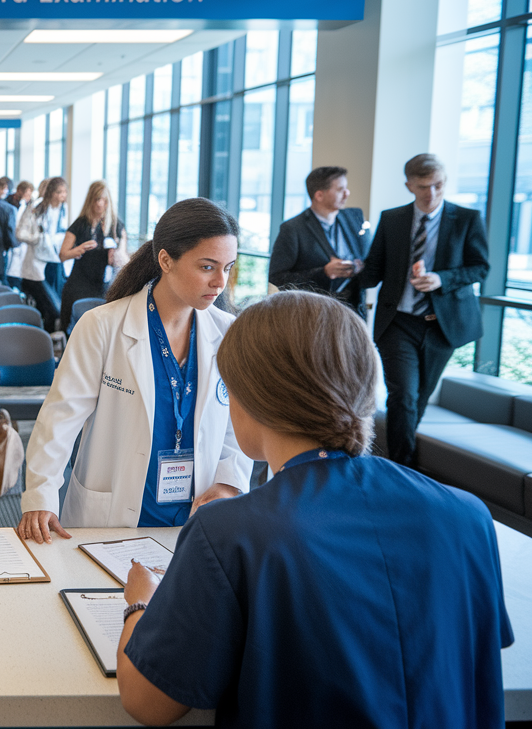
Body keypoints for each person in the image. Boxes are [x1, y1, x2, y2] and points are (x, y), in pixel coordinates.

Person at [115, 291, 513, 728]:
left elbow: (147, 702)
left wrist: (141, 604)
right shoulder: (468, 516)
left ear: (251, 398)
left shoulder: (229, 534)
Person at [18, 198, 252, 539]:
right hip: (112, 514)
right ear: (166, 260)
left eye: (228, 268)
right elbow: (60, 419)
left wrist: (229, 482)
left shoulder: (228, 332)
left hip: (195, 513)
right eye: (207, 267)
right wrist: (41, 495)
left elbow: (236, 424)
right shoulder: (102, 326)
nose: (220, 282)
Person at [356, 153, 489, 467]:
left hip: (442, 325)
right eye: (424, 187)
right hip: (398, 321)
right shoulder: (392, 219)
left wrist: (441, 279)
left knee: (419, 398)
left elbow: (480, 268)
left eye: (438, 185)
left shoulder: (467, 219)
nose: (432, 194)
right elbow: (374, 268)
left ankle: (399, 465)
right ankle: (401, 469)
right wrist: (343, 269)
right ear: (409, 186)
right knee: (403, 396)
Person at [268, 165, 370, 316]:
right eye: (340, 189)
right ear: (319, 195)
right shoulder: (292, 228)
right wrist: (323, 273)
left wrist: (359, 266)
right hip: (313, 313)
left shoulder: (355, 217)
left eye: (346, 188)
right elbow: (277, 277)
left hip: (353, 310)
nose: (347, 193)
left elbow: (369, 255)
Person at [59, 180, 128, 331]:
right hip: (79, 284)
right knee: (76, 328)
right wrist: (80, 249)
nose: (100, 204)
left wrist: (116, 256)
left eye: (104, 200)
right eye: (97, 199)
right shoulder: (80, 224)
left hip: (104, 286)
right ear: (91, 200)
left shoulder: (116, 225)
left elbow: (124, 259)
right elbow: (63, 255)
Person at [16, 178, 69, 333]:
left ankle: (50, 343)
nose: (62, 196)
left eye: (64, 192)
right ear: (51, 192)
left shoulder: (63, 209)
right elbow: (20, 232)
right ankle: (39, 339)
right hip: (36, 265)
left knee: (53, 310)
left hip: (55, 262)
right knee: (50, 306)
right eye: (59, 192)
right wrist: (39, 238)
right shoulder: (36, 208)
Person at [3, 180, 35, 287]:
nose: (28, 197)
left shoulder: (31, 205)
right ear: (19, 192)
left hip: (24, 243)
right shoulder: (8, 203)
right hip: (11, 242)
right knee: (11, 269)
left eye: (30, 195)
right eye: (26, 194)